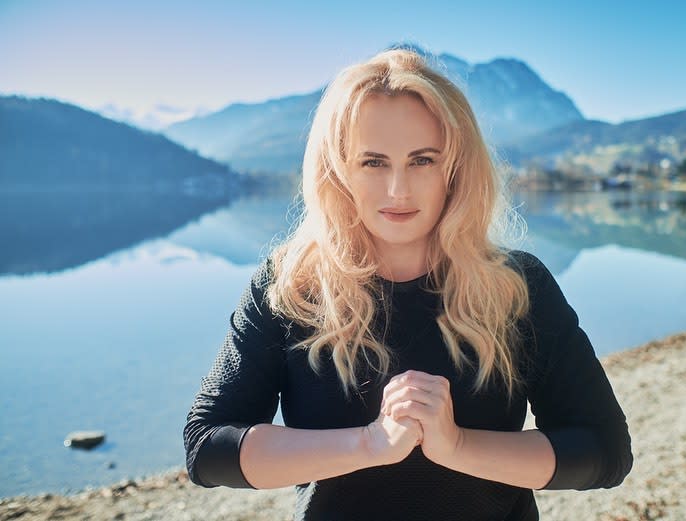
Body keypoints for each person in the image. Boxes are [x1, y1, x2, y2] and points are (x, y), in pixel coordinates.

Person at [183, 48, 633, 521]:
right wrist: (369, 443)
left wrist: (457, 445)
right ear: (338, 169)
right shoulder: (289, 288)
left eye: (422, 160)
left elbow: (605, 451)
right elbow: (207, 448)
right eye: (374, 163)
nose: (398, 190)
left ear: (455, 168)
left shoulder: (518, 287)